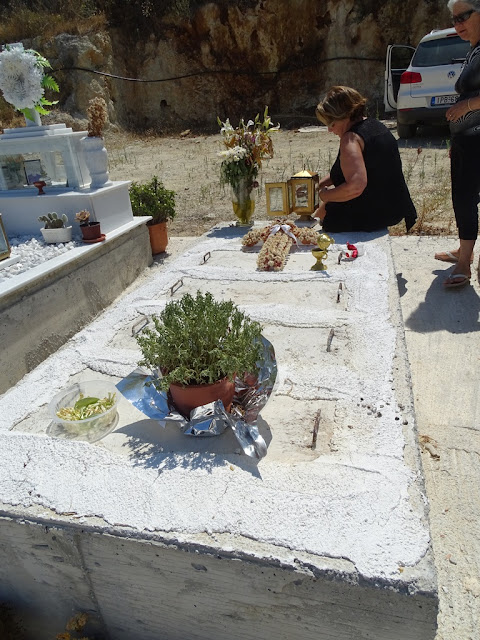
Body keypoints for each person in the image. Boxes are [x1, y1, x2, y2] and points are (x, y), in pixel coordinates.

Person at [314, 85, 417, 233]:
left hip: (369, 215)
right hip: (391, 208)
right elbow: (350, 170)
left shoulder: (350, 139)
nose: (330, 130)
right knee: (320, 214)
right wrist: (317, 185)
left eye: (332, 124)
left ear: (345, 117)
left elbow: (355, 187)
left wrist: (325, 195)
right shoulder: (375, 126)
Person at [435, 0, 480, 288]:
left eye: (463, 16)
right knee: (463, 198)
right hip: (468, 140)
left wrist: (467, 106)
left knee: (465, 198)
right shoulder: (474, 49)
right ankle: (465, 252)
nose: (458, 24)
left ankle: (464, 263)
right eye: (454, 19)